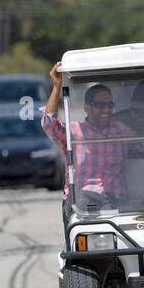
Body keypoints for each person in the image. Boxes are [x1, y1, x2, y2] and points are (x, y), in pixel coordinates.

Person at [39, 62, 133, 217]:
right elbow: (49, 123)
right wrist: (57, 86)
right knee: (82, 215)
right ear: (86, 107)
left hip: (116, 197)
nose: (106, 110)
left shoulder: (121, 130)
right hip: (84, 196)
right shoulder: (74, 131)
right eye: (100, 105)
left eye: (110, 106)